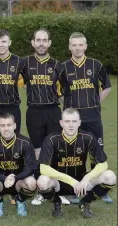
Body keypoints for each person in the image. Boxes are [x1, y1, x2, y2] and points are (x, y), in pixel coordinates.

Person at [61, 32, 113, 204]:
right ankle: (75, 188)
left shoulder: (95, 65)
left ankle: (99, 188)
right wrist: (68, 107)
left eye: (80, 45)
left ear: (85, 46)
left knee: (97, 152)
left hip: (93, 117)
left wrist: (95, 102)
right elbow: (57, 91)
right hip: (73, 121)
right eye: (74, 45)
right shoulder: (63, 67)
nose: (77, 48)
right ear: (69, 47)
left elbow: (107, 87)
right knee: (75, 154)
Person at [37, 108, 116, 218]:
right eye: (67, 121)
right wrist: (71, 181)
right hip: (59, 183)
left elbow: (103, 164)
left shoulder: (88, 137)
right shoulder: (51, 139)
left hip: (82, 182)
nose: (71, 125)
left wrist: (86, 178)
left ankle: (85, 202)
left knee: (110, 177)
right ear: (61, 123)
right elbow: (43, 168)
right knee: (42, 181)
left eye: (74, 121)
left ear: (79, 122)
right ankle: (57, 201)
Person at [20, 28, 65, 205]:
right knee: (38, 151)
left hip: (53, 111)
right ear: (33, 43)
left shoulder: (57, 65)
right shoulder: (24, 63)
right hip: (34, 112)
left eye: (44, 40)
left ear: (49, 43)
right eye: (38, 40)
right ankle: (40, 189)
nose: (41, 43)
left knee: (54, 151)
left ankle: (56, 187)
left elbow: (63, 92)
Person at [0, 113, 36, 217]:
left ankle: (20, 201)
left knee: (32, 183)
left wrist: (15, 178)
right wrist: (4, 179)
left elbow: (30, 168)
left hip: (18, 181)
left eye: (9, 125)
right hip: (0, 182)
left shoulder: (25, 142)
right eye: (2, 125)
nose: (6, 129)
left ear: (15, 125)